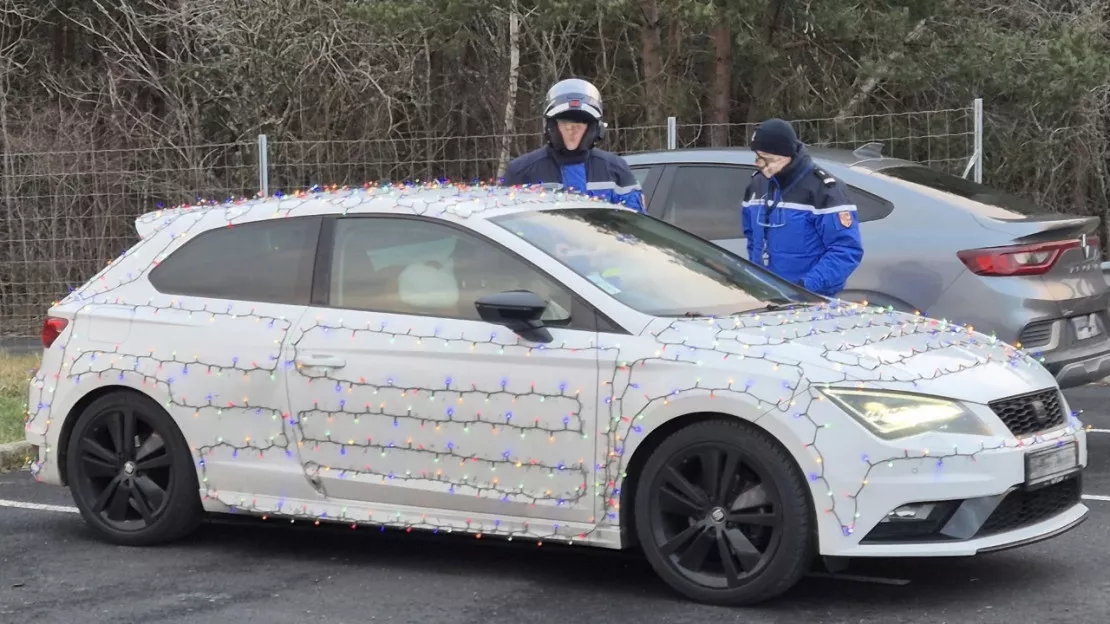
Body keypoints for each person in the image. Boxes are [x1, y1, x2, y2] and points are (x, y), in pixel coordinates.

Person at [740, 118, 864, 297]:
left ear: (787, 156)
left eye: (767, 159)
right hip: (766, 296)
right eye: (758, 157)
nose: (759, 164)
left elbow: (846, 250)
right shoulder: (757, 184)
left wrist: (805, 287)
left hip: (810, 299)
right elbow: (752, 236)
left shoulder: (824, 189)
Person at [502, 78, 644, 212]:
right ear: (551, 127)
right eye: (565, 123)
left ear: (593, 129)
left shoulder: (616, 170)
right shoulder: (521, 171)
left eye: (579, 124)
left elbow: (634, 224)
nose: (572, 131)